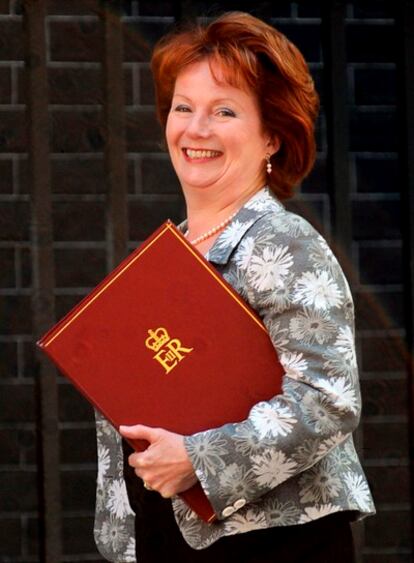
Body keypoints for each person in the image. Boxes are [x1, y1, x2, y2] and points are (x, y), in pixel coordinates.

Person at [93, 11, 375, 563]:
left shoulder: (282, 242)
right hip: (169, 533)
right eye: (183, 108)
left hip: (273, 544)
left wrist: (199, 460)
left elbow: (329, 399)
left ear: (272, 135)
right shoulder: (165, 252)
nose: (196, 130)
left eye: (224, 111)